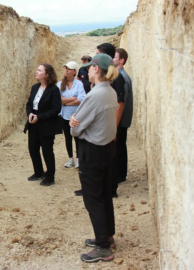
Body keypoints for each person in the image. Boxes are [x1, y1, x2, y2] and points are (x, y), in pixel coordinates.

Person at [70, 53, 119, 263]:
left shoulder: (95, 95)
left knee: (93, 199)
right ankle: (107, 236)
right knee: (104, 194)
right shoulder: (110, 92)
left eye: (90, 67)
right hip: (107, 149)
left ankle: (102, 247)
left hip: (92, 151)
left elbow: (76, 128)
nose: (88, 70)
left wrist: (73, 123)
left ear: (96, 70)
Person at [24, 64, 62, 186]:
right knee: (33, 148)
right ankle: (39, 172)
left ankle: (50, 176)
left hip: (47, 125)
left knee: (47, 151)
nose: (36, 72)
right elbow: (29, 104)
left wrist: (39, 117)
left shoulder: (54, 90)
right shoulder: (35, 87)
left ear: (47, 74)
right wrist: (30, 114)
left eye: (39, 70)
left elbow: (56, 109)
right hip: (33, 123)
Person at [96, 43, 126, 198]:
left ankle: (111, 189)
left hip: (112, 123)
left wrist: (113, 127)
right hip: (107, 123)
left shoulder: (117, 77)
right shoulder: (109, 74)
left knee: (111, 157)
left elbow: (120, 103)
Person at [56, 61, 86, 168]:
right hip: (64, 115)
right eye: (66, 69)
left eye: (69, 69)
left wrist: (65, 101)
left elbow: (81, 99)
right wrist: (73, 99)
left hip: (76, 115)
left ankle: (78, 159)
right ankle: (70, 158)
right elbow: (58, 99)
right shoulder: (60, 84)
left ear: (74, 71)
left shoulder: (79, 84)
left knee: (77, 137)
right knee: (67, 137)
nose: (66, 71)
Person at [112, 48, 133, 194]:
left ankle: (120, 175)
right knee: (120, 146)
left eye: (114, 57)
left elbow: (121, 101)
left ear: (121, 60)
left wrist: (116, 122)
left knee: (119, 147)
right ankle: (121, 174)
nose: (112, 59)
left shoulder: (122, 76)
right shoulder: (122, 75)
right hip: (121, 119)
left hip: (120, 119)